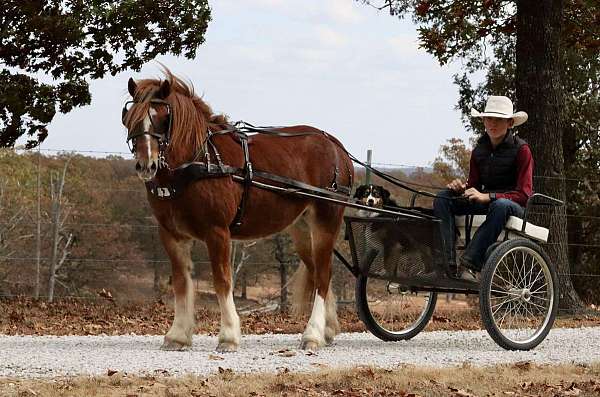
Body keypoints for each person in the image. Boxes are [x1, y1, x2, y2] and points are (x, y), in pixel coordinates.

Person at [433, 95, 533, 281]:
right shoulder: (479, 151)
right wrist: (461, 189)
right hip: (485, 201)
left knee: (500, 205)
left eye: (498, 119)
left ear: (510, 123)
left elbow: (524, 195)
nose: (492, 123)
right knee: (443, 198)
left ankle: (471, 262)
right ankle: (446, 263)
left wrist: (489, 197)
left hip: (511, 206)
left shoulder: (522, 150)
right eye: (488, 118)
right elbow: (474, 187)